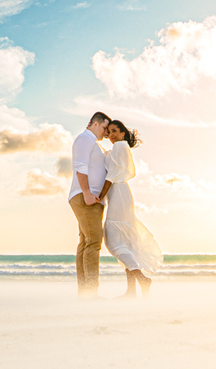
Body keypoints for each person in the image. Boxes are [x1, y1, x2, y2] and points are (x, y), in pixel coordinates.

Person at [100, 119, 163, 298]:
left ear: (122, 133)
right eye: (108, 132)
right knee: (126, 243)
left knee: (113, 241)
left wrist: (100, 196)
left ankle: (142, 279)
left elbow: (111, 175)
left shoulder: (120, 146)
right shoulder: (118, 148)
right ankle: (131, 291)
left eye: (114, 131)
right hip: (120, 194)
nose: (111, 135)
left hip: (118, 191)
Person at [68, 111, 110, 297]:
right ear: (94, 124)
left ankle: (85, 293)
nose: (106, 133)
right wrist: (86, 192)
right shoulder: (84, 139)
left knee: (86, 242)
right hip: (86, 197)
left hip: (92, 199)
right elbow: (80, 166)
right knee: (93, 241)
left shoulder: (95, 144)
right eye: (104, 128)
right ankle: (91, 293)